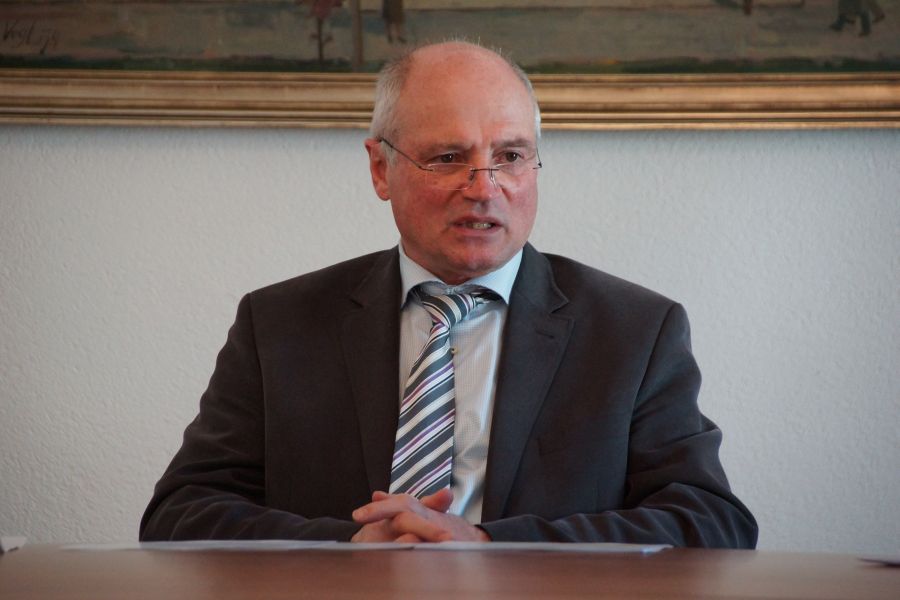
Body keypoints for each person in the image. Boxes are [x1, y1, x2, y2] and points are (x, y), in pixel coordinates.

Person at [140, 41, 758, 547]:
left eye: (510, 155)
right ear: (380, 169)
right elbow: (179, 514)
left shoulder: (634, 331)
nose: (484, 187)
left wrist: (491, 546)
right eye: (447, 157)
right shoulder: (278, 324)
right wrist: (346, 545)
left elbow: (712, 523)